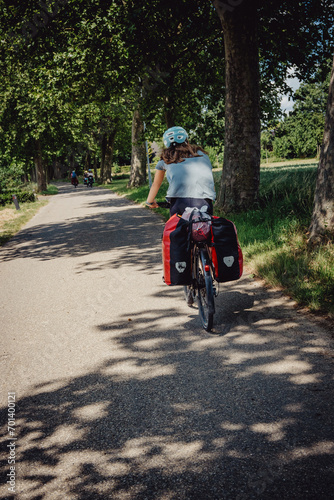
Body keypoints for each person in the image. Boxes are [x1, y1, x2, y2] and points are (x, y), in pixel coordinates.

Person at [146, 126, 216, 216]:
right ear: (186, 140)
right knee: (204, 228)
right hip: (204, 201)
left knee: (177, 228)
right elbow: (209, 178)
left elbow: (156, 184)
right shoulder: (202, 154)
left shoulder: (166, 158)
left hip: (179, 202)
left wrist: (150, 202)